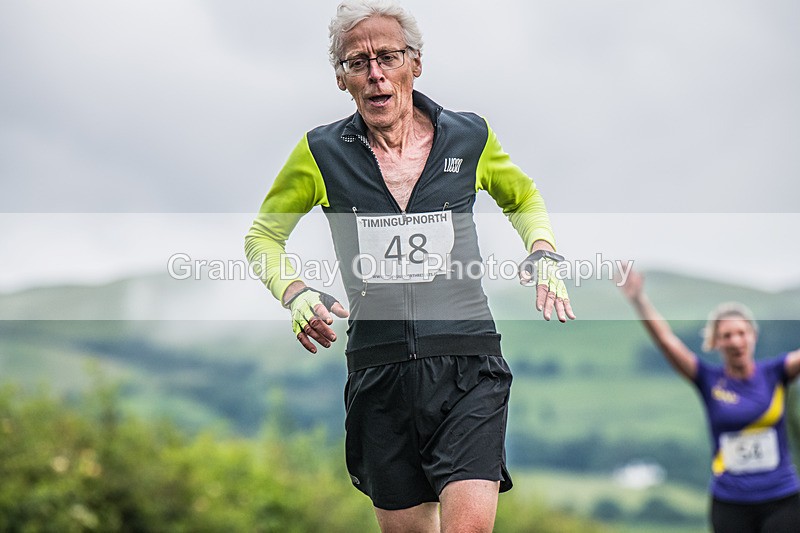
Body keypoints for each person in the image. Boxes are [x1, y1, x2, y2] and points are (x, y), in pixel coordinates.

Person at [245, 1, 575, 530]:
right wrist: (295, 292)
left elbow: (523, 197)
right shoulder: (320, 152)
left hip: (467, 363)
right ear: (341, 79)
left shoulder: (469, 137)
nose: (376, 74)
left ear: (415, 64)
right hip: (380, 371)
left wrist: (541, 248)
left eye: (388, 57)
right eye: (358, 62)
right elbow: (263, 236)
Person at [618, 268, 800, 533]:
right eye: (727, 335)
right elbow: (667, 342)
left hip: (781, 499)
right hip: (730, 502)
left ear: (753, 337)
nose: (735, 341)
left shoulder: (776, 373)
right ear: (716, 342)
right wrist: (638, 300)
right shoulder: (707, 379)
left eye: (741, 333)